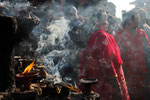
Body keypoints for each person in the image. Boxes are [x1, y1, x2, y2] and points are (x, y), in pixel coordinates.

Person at [79, 11, 130, 100]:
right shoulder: (102, 36)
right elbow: (108, 61)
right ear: (96, 21)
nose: (107, 23)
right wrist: (115, 82)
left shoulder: (94, 35)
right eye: (105, 19)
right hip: (106, 79)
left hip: (95, 77)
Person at [115, 9, 150, 100]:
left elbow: (148, 52)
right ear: (130, 20)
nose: (139, 20)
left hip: (143, 74)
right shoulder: (120, 36)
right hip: (128, 75)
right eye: (137, 18)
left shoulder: (141, 33)